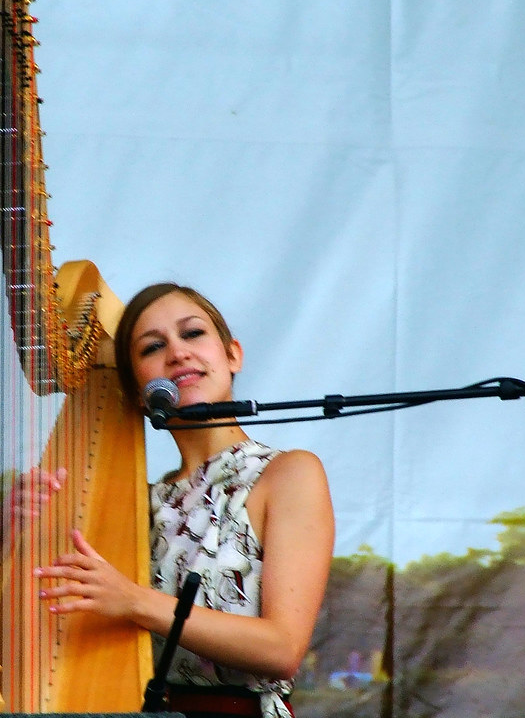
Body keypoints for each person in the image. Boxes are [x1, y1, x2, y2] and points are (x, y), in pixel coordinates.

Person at [34, 282, 335, 718]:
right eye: (153, 346)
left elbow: (282, 648)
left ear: (233, 355)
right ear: (139, 393)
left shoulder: (287, 474)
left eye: (192, 334)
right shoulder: (136, 506)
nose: (177, 353)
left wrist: (135, 601)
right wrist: (13, 529)